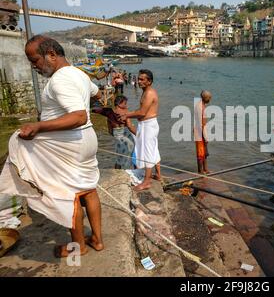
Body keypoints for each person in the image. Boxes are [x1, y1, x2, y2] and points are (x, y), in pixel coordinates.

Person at [0, 35, 104, 257]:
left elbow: (78, 116)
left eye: (35, 60)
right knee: (89, 189)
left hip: (70, 145)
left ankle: (78, 247)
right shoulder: (79, 74)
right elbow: (97, 95)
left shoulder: (60, 80)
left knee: (69, 195)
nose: (34, 66)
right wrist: (106, 112)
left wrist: (39, 126)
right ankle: (97, 239)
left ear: (52, 55)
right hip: (86, 140)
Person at [118, 69, 161, 191]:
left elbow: (142, 112)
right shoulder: (145, 92)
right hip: (146, 125)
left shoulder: (149, 93)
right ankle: (158, 175)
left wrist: (127, 115)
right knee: (153, 150)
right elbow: (142, 109)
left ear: (149, 81)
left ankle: (146, 182)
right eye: (139, 78)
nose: (139, 81)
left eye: (142, 79)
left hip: (149, 125)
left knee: (148, 152)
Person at [93, 96, 135, 169]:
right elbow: (129, 126)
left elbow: (110, 131)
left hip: (117, 135)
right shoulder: (125, 112)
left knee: (119, 155)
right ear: (119, 104)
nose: (126, 105)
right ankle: (134, 171)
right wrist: (139, 135)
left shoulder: (109, 113)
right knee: (132, 152)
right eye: (125, 103)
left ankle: (117, 171)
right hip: (125, 133)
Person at [194, 90, 211, 174]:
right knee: (201, 153)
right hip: (200, 132)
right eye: (209, 97)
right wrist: (205, 137)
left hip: (198, 130)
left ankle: (205, 169)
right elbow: (202, 124)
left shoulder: (199, 104)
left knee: (203, 152)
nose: (210, 98)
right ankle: (201, 171)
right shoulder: (202, 108)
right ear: (205, 98)